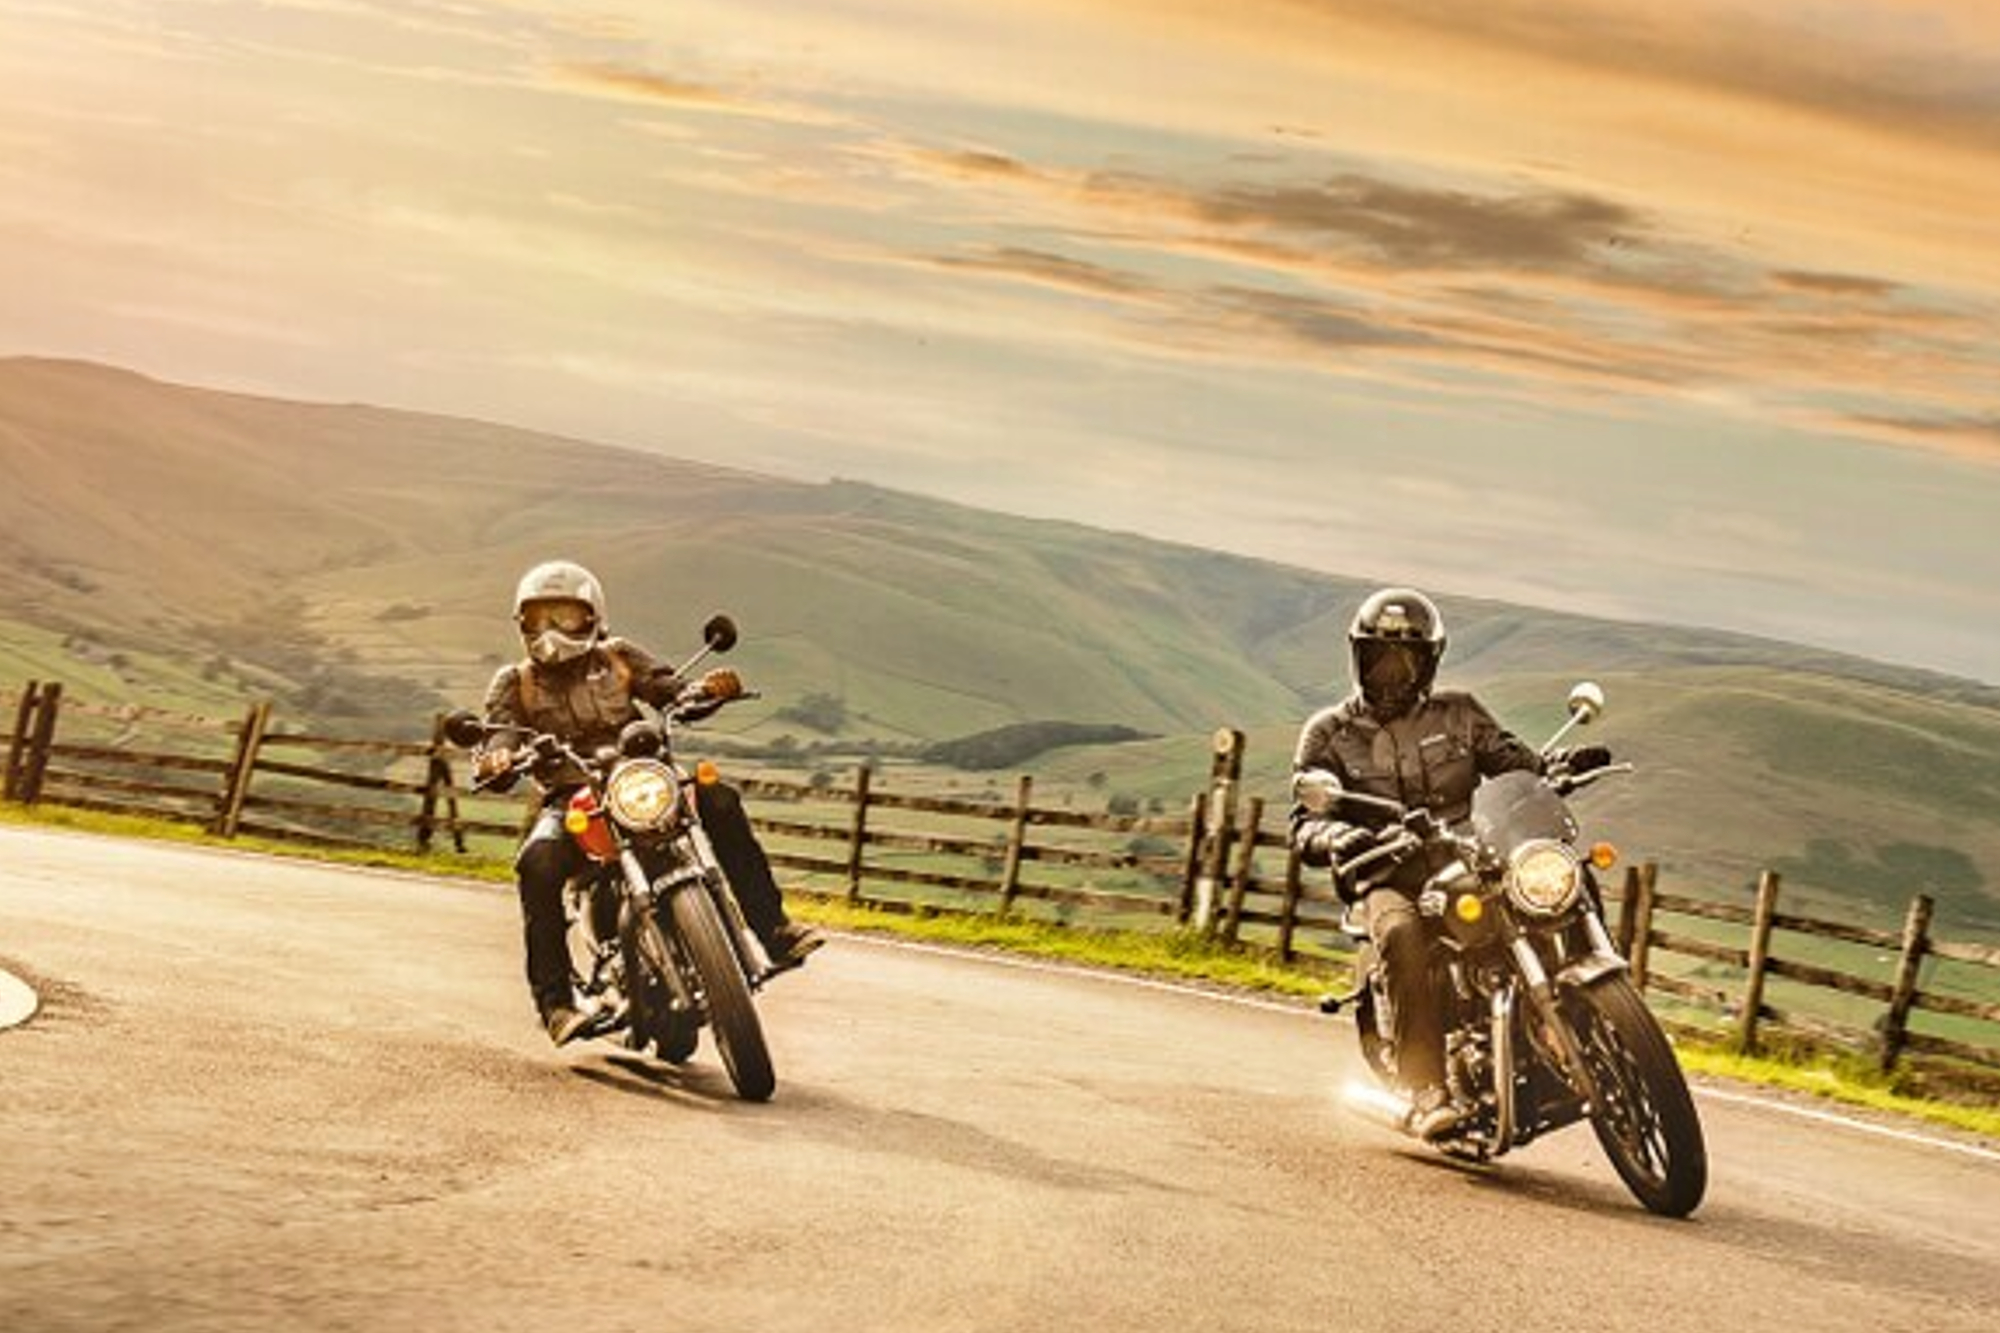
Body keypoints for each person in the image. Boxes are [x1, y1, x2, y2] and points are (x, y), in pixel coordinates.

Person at [1288, 587, 1606, 1139]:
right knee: (1403, 932)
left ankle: (1598, 1010)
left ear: (1428, 661)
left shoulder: (1460, 714)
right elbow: (1304, 820)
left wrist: (1555, 766)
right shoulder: (1330, 734)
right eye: (1380, 656)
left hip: (1474, 856)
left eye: (1406, 658)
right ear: (1358, 658)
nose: (1392, 670)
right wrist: (1338, 837)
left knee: (1564, 874)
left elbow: (1516, 763)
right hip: (1389, 872)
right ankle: (1425, 1083)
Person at [473, 559, 821, 1046]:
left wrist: (707, 691)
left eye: (565, 617)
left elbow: (671, 690)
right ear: (523, 624)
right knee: (538, 861)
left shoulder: (618, 658)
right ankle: (554, 1003)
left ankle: (774, 932)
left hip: (642, 783)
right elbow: (499, 732)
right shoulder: (516, 683)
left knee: (717, 798)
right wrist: (497, 757)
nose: (552, 631)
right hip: (571, 800)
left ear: (592, 617)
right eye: (540, 618)